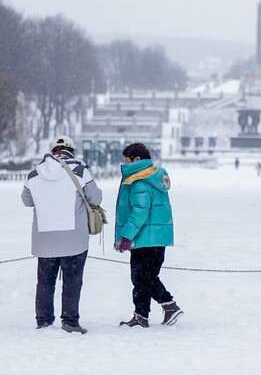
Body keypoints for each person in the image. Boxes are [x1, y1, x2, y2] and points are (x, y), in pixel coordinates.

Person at [21, 136, 103, 333]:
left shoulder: (34, 174)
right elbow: (96, 198)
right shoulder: (81, 171)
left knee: (45, 282)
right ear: (72, 151)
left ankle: (43, 320)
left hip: (44, 239)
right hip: (74, 239)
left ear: (53, 151)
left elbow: (26, 200)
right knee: (72, 282)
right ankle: (70, 321)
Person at [115, 143, 183, 328]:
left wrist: (126, 237)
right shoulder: (153, 177)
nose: (124, 163)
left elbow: (139, 212)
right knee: (146, 277)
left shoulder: (139, 181)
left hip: (144, 238)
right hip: (157, 237)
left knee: (143, 278)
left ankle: (169, 306)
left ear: (137, 160)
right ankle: (141, 315)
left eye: (127, 160)